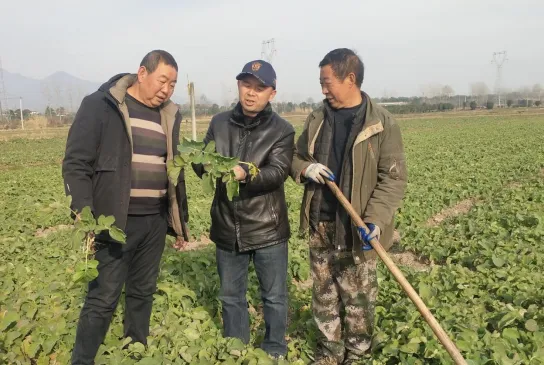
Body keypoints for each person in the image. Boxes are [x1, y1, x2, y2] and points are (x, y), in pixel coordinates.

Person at [62, 50, 190, 365]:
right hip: (113, 221)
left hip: (154, 221)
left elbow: (174, 170)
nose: (167, 89)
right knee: (103, 297)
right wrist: (84, 210)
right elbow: (76, 163)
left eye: (173, 84)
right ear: (142, 73)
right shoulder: (101, 105)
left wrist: (179, 222)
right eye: (163, 80)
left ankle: (135, 351)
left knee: (142, 291)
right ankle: (82, 359)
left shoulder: (167, 115)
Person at [290, 48, 407, 365]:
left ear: (350, 78)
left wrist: (376, 221)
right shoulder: (317, 118)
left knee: (358, 297)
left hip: (359, 227)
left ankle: (357, 353)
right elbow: (296, 156)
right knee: (324, 292)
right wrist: (305, 169)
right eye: (321, 82)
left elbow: (393, 179)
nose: (323, 89)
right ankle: (330, 351)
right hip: (322, 222)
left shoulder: (380, 124)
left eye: (327, 82)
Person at [193, 59, 295, 359]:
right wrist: (204, 165)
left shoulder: (282, 130)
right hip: (227, 224)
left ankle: (275, 348)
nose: (251, 93)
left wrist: (246, 174)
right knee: (230, 296)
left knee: (274, 296)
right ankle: (235, 345)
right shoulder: (219, 123)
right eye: (246, 85)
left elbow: (277, 172)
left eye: (259, 88)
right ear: (238, 86)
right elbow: (202, 161)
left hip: (267, 228)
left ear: (271, 94)